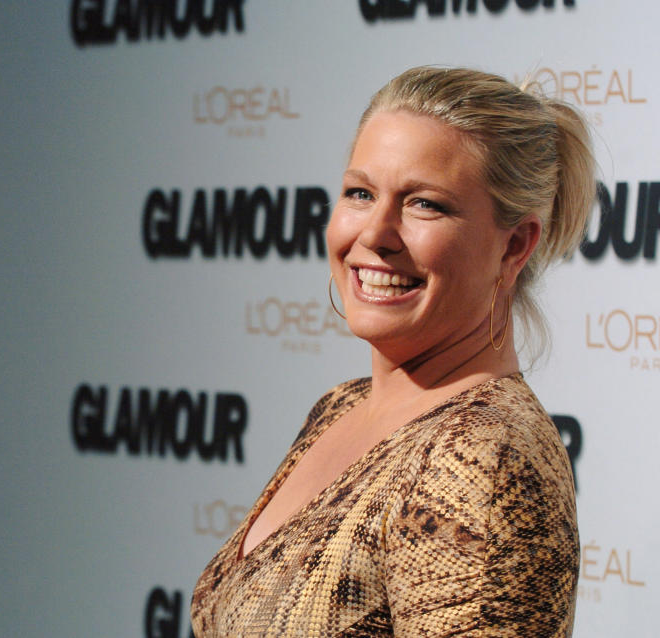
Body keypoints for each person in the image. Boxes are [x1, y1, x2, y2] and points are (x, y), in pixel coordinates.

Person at [190, 66, 594, 637]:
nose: (375, 233)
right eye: (360, 193)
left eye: (424, 204)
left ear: (515, 245)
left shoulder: (481, 461)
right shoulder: (341, 407)